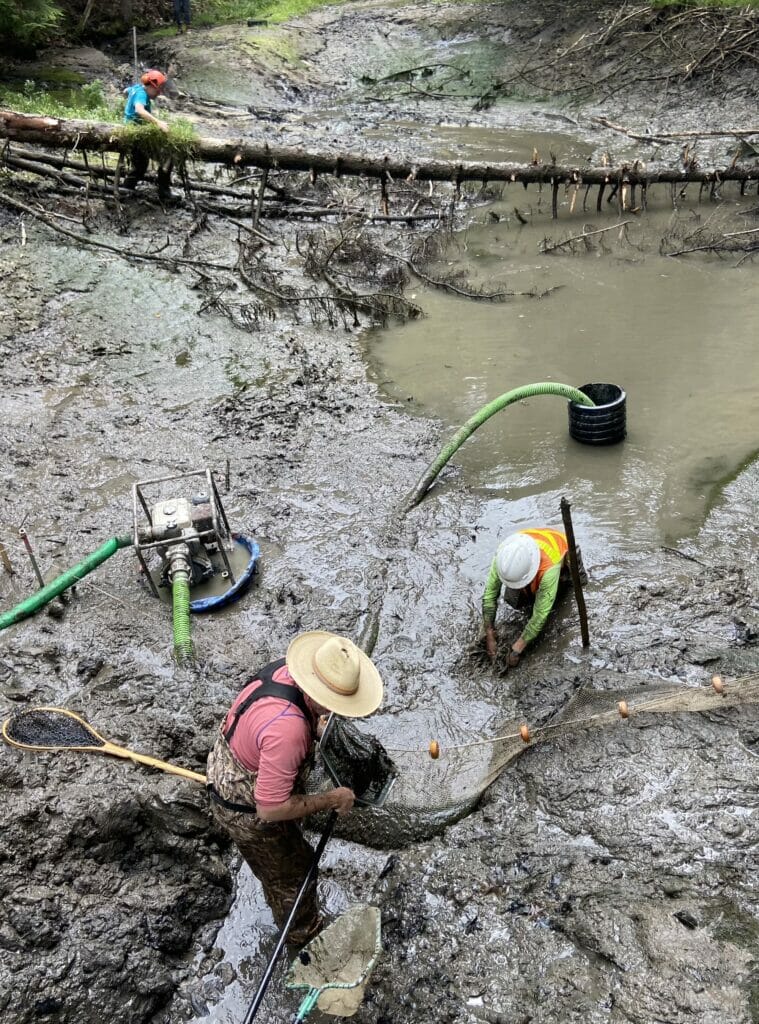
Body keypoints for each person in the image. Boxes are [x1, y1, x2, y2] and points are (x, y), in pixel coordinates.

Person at [206, 631, 384, 947]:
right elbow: (270, 809)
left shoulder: (285, 673)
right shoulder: (287, 732)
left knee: (290, 844)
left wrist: (315, 724)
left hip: (239, 755)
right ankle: (303, 937)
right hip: (245, 807)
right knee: (295, 874)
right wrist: (331, 798)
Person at [482, 527, 584, 665]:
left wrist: (518, 648)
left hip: (562, 551)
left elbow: (541, 614)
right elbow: (489, 595)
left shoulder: (549, 569)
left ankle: (565, 579)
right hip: (527, 545)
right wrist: (489, 633)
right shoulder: (503, 558)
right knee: (513, 600)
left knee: (570, 588)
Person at [123, 69, 173, 200]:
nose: (159, 92)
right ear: (151, 85)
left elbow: (127, 91)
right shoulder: (141, 94)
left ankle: (126, 190)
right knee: (166, 157)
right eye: (158, 89)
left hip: (133, 131)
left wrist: (127, 92)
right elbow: (140, 110)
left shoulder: (138, 88)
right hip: (136, 134)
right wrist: (159, 123)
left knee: (140, 166)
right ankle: (164, 192)